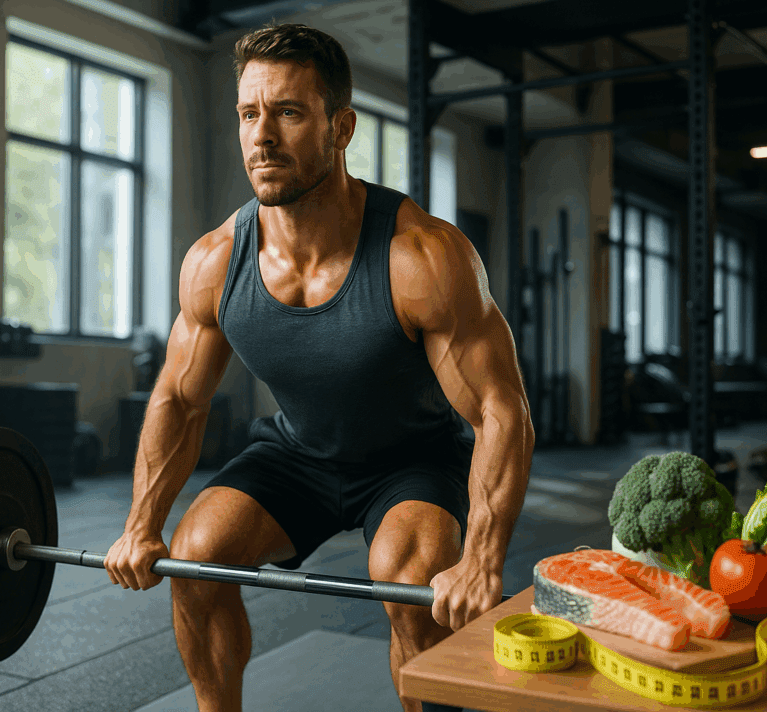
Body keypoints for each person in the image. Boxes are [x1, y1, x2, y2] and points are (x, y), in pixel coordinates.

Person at [104, 23, 535, 712]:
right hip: (298, 453)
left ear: (341, 127)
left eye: (289, 112)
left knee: (411, 580)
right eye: (250, 113)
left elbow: (498, 409)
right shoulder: (217, 262)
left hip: (412, 457)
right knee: (196, 556)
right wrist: (140, 523)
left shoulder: (421, 257)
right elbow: (180, 402)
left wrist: (480, 558)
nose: (262, 136)